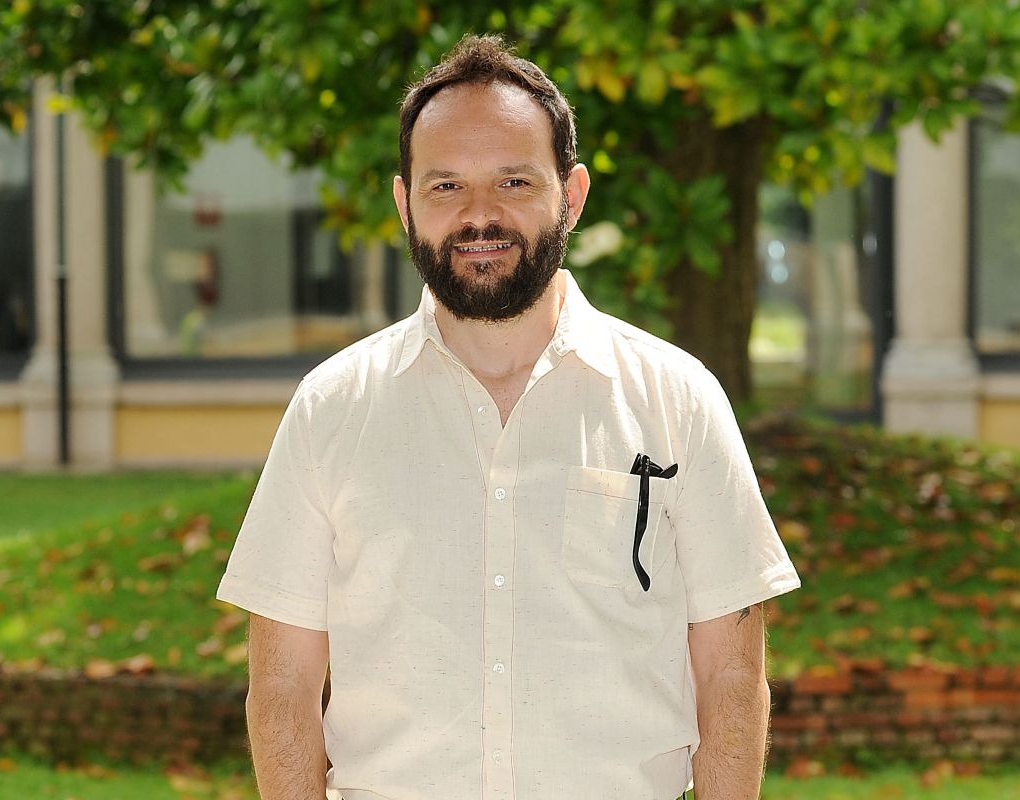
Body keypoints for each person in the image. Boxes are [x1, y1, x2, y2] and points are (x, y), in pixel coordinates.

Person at [216, 33, 800, 800]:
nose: (478, 216)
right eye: (446, 186)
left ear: (574, 193)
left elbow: (731, 680)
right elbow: (283, 693)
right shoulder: (332, 409)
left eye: (514, 182)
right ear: (404, 203)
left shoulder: (676, 399)